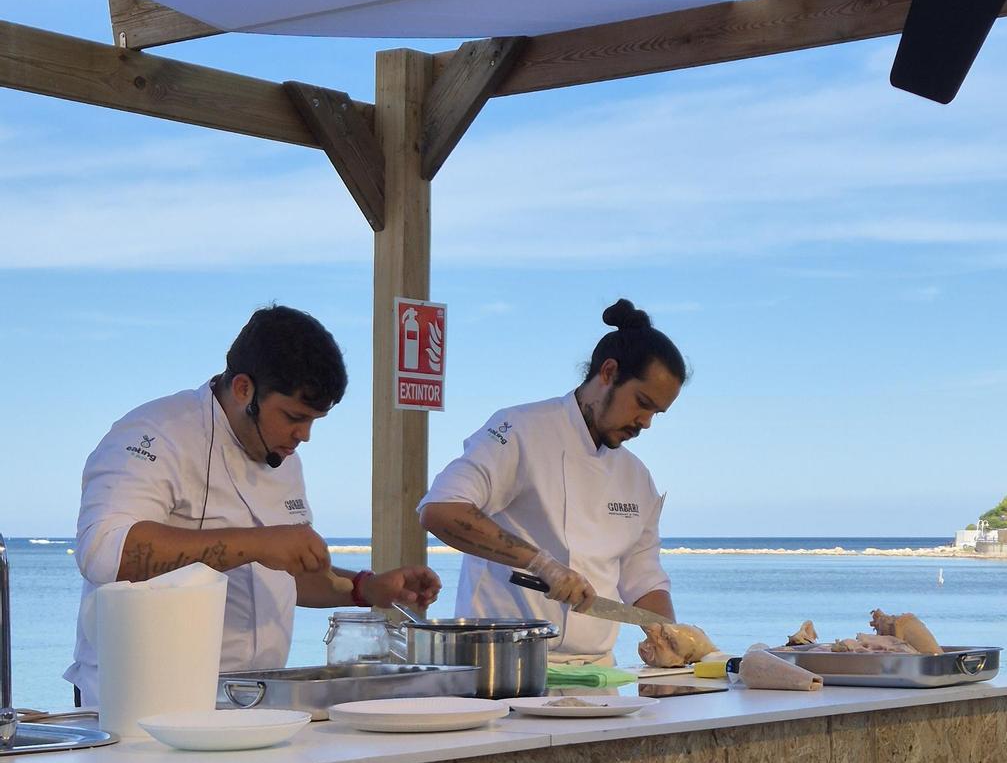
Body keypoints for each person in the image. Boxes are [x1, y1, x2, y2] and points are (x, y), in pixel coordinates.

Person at [67, 305, 440, 706]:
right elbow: (105, 553)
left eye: (314, 420)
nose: (304, 435)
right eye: (295, 416)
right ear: (244, 388)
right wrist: (261, 543)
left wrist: (367, 588)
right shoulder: (153, 434)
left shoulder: (284, 455)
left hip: (257, 699)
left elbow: (286, 574)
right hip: (140, 701)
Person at [419, 299, 706, 666]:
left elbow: (644, 579)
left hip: (598, 677)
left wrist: (674, 641)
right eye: (642, 402)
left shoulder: (637, 478)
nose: (645, 422)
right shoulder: (520, 429)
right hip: (501, 668)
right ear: (608, 372)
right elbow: (441, 510)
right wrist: (542, 564)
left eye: (656, 413)